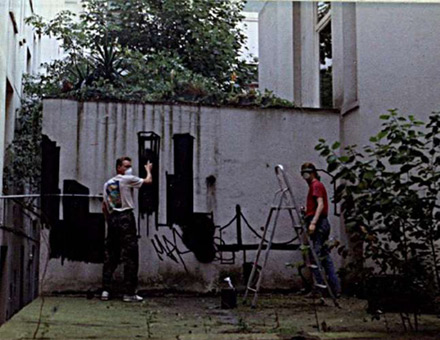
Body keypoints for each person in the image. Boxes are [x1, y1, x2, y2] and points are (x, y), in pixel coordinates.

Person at [101, 156, 153, 302]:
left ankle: (106, 290)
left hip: (112, 219)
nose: (128, 169)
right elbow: (148, 181)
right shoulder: (127, 179)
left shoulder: (108, 184)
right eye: (126, 166)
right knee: (130, 255)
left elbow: (104, 206)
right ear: (118, 168)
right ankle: (129, 293)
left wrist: (109, 221)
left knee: (111, 254)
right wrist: (148, 170)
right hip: (125, 217)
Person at [301, 162, 341, 298]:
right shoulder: (315, 186)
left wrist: (313, 222)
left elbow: (320, 204)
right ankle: (335, 289)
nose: (304, 176)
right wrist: (307, 211)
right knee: (325, 257)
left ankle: (319, 289)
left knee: (316, 257)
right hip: (321, 223)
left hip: (319, 224)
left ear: (311, 172)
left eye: (306, 173)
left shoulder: (316, 185)